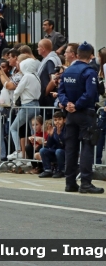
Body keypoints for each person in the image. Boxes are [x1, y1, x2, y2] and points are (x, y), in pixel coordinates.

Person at [58, 41, 104, 194]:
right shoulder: (89, 71)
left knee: (70, 149)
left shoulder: (68, 71)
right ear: (91, 56)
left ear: (77, 55)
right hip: (85, 114)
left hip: (70, 115)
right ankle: (86, 183)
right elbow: (90, 94)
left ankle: (70, 182)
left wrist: (67, 104)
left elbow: (61, 92)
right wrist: (76, 105)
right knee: (87, 147)